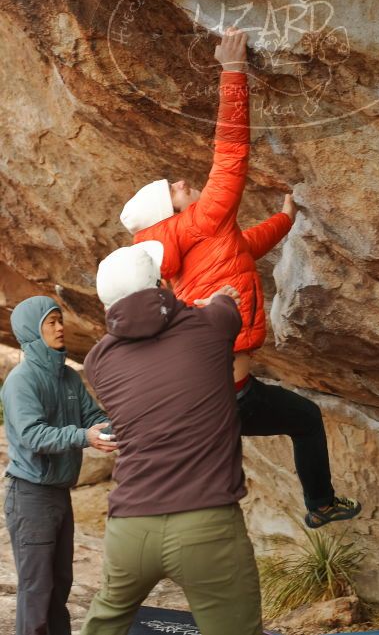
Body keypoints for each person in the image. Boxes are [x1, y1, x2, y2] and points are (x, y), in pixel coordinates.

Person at [120, 28, 361, 528]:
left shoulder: (189, 246)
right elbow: (230, 154)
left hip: (209, 394)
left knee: (239, 459)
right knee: (305, 420)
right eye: (175, 187)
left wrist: (286, 220)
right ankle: (318, 504)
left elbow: (243, 251)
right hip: (231, 395)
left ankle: (187, 519)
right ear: (169, 208)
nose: (183, 182)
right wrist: (233, 71)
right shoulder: (201, 219)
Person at [80, 241, 263, 635]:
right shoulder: (214, 323)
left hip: (130, 528)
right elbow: (226, 306)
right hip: (206, 524)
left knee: (106, 621)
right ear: (161, 283)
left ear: (106, 306)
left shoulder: (98, 362)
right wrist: (210, 299)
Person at [2, 295, 116, 635]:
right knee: (36, 590)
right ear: (31, 331)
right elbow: (33, 435)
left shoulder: (67, 377)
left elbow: (94, 417)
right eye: (50, 322)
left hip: (58, 494)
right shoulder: (21, 381)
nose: (59, 327)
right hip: (30, 496)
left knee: (60, 583)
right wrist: (84, 437)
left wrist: (121, 428)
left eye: (59, 320)